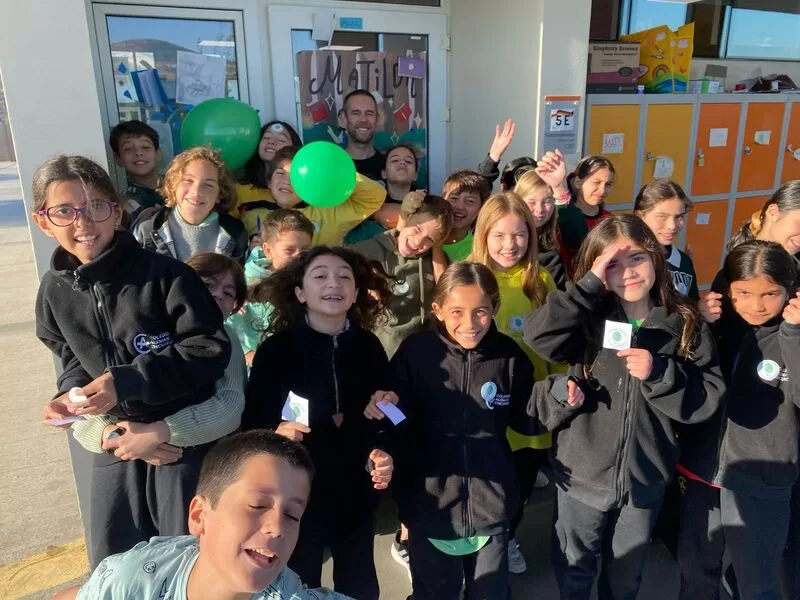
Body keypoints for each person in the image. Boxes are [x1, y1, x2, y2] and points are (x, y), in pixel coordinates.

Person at [33, 155, 231, 569]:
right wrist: (71, 397)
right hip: (115, 446)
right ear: (43, 221)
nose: (84, 222)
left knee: (187, 562)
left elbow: (207, 348)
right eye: (65, 211)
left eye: (96, 207)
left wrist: (126, 382)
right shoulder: (53, 291)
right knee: (113, 563)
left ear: (117, 211)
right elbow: (71, 356)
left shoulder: (168, 276)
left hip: (181, 446)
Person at [524, 214, 725, 600]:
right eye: (612, 264)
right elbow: (539, 336)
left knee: (625, 578)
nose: (627, 272)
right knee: (574, 568)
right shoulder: (586, 318)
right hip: (581, 476)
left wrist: (659, 373)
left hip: (644, 481)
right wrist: (587, 286)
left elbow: (708, 397)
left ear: (655, 258)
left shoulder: (685, 323)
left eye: (636, 258)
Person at [368, 262, 535, 600]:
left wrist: (560, 400)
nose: (469, 324)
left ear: (494, 308)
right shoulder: (416, 352)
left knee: (490, 593)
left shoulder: (509, 356)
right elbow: (396, 416)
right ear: (438, 310)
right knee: (434, 592)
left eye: (480, 312)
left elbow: (526, 418)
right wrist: (382, 445)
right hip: (430, 505)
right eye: (457, 311)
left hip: (491, 504)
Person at [243, 247, 395, 600]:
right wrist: (275, 433)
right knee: (297, 583)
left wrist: (384, 446)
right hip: (297, 493)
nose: (333, 283)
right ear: (300, 293)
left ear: (355, 293)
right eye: (320, 275)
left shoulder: (370, 347)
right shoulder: (276, 351)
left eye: (344, 276)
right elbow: (252, 421)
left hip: (356, 491)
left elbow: (392, 416)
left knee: (359, 584)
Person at [51, 430, 355, 600]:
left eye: (292, 515)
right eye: (257, 505)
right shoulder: (136, 581)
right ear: (199, 516)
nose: (277, 527)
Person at [676, 241, 800, 600]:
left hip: (761, 479)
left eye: (770, 294)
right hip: (700, 473)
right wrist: (699, 322)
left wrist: (794, 335)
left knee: (757, 581)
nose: (756, 305)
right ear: (726, 288)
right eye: (743, 293)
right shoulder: (715, 329)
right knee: (696, 571)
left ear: (790, 292)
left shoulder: (792, 335)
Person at [69, 251, 247, 467]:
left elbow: (230, 404)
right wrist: (115, 436)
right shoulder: (132, 327)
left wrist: (159, 433)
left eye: (228, 293)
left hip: (189, 459)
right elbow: (82, 395)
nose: (218, 295)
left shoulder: (224, 340)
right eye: (207, 285)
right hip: (118, 459)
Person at [469, 192, 561, 574]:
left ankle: (508, 538)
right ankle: (481, 548)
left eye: (519, 234)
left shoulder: (539, 280)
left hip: (530, 406)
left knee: (520, 484)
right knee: (482, 487)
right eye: (499, 235)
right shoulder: (468, 278)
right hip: (481, 408)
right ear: (483, 235)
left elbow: (559, 346)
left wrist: (559, 392)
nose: (510, 245)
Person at [351, 192, 453, 358]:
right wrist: (360, 285)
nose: (418, 242)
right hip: (374, 353)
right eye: (418, 228)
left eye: (429, 239)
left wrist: (436, 249)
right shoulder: (373, 248)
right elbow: (337, 266)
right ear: (408, 217)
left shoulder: (436, 261)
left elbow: (446, 291)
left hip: (417, 356)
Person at [236, 146, 386, 245]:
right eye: (281, 173)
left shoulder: (329, 212)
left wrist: (335, 172)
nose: (287, 181)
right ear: (269, 182)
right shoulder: (249, 211)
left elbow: (374, 196)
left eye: (297, 176)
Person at [226, 209, 314, 365]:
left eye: (305, 250)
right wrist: (249, 355)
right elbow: (227, 324)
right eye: (289, 250)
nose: (299, 256)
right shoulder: (245, 282)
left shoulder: (313, 280)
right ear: (267, 250)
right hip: (256, 364)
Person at [133, 146, 247, 262]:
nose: (196, 191)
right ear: (173, 186)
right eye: (188, 180)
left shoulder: (236, 233)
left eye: (208, 185)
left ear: (220, 194)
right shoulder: (148, 231)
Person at [634, 179, 699, 300]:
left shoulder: (684, 262)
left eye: (679, 216)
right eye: (662, 217)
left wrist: (701, 308)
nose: (672, 226)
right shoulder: (626, 260)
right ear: (639, 216)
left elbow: (692, 302)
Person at [344, 143, 420, 244]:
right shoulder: (367, 200)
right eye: (395, 160)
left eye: (408, 161)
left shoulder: (426, 202)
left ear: (415, 175)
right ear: (384, 173)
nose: (402, 163)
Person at [512, 159, 571, 289]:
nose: (540, 209)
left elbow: (575, 230)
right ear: (518, 202)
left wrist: (559, 188)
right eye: (531, 202)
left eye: (547, 201)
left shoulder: (551, 251)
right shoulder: (507, 242)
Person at [557, 155, 616, 265]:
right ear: (578, 182)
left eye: (608, 184)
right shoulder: (563, 216)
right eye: (596, 182)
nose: (602, 190)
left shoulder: (610, 220)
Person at [109, 119, 164, 224]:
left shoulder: (178, 185)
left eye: (145, 147)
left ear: (158, 153)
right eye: (128, 149)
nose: (138, 152)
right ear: (118, 159)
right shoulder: (124, 205)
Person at [441, 170, 492, 262]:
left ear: (481, 208)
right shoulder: (424, 235)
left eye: (470, 201)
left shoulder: (478, 250)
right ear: (443, 199)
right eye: (454, 198)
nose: (460, 207)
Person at [338, 89, 385, 181]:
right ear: (344, 118)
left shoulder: (390, 167)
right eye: (356, 113)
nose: (363, 119)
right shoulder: (331, 166)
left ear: (377, 119)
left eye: (369, 113)